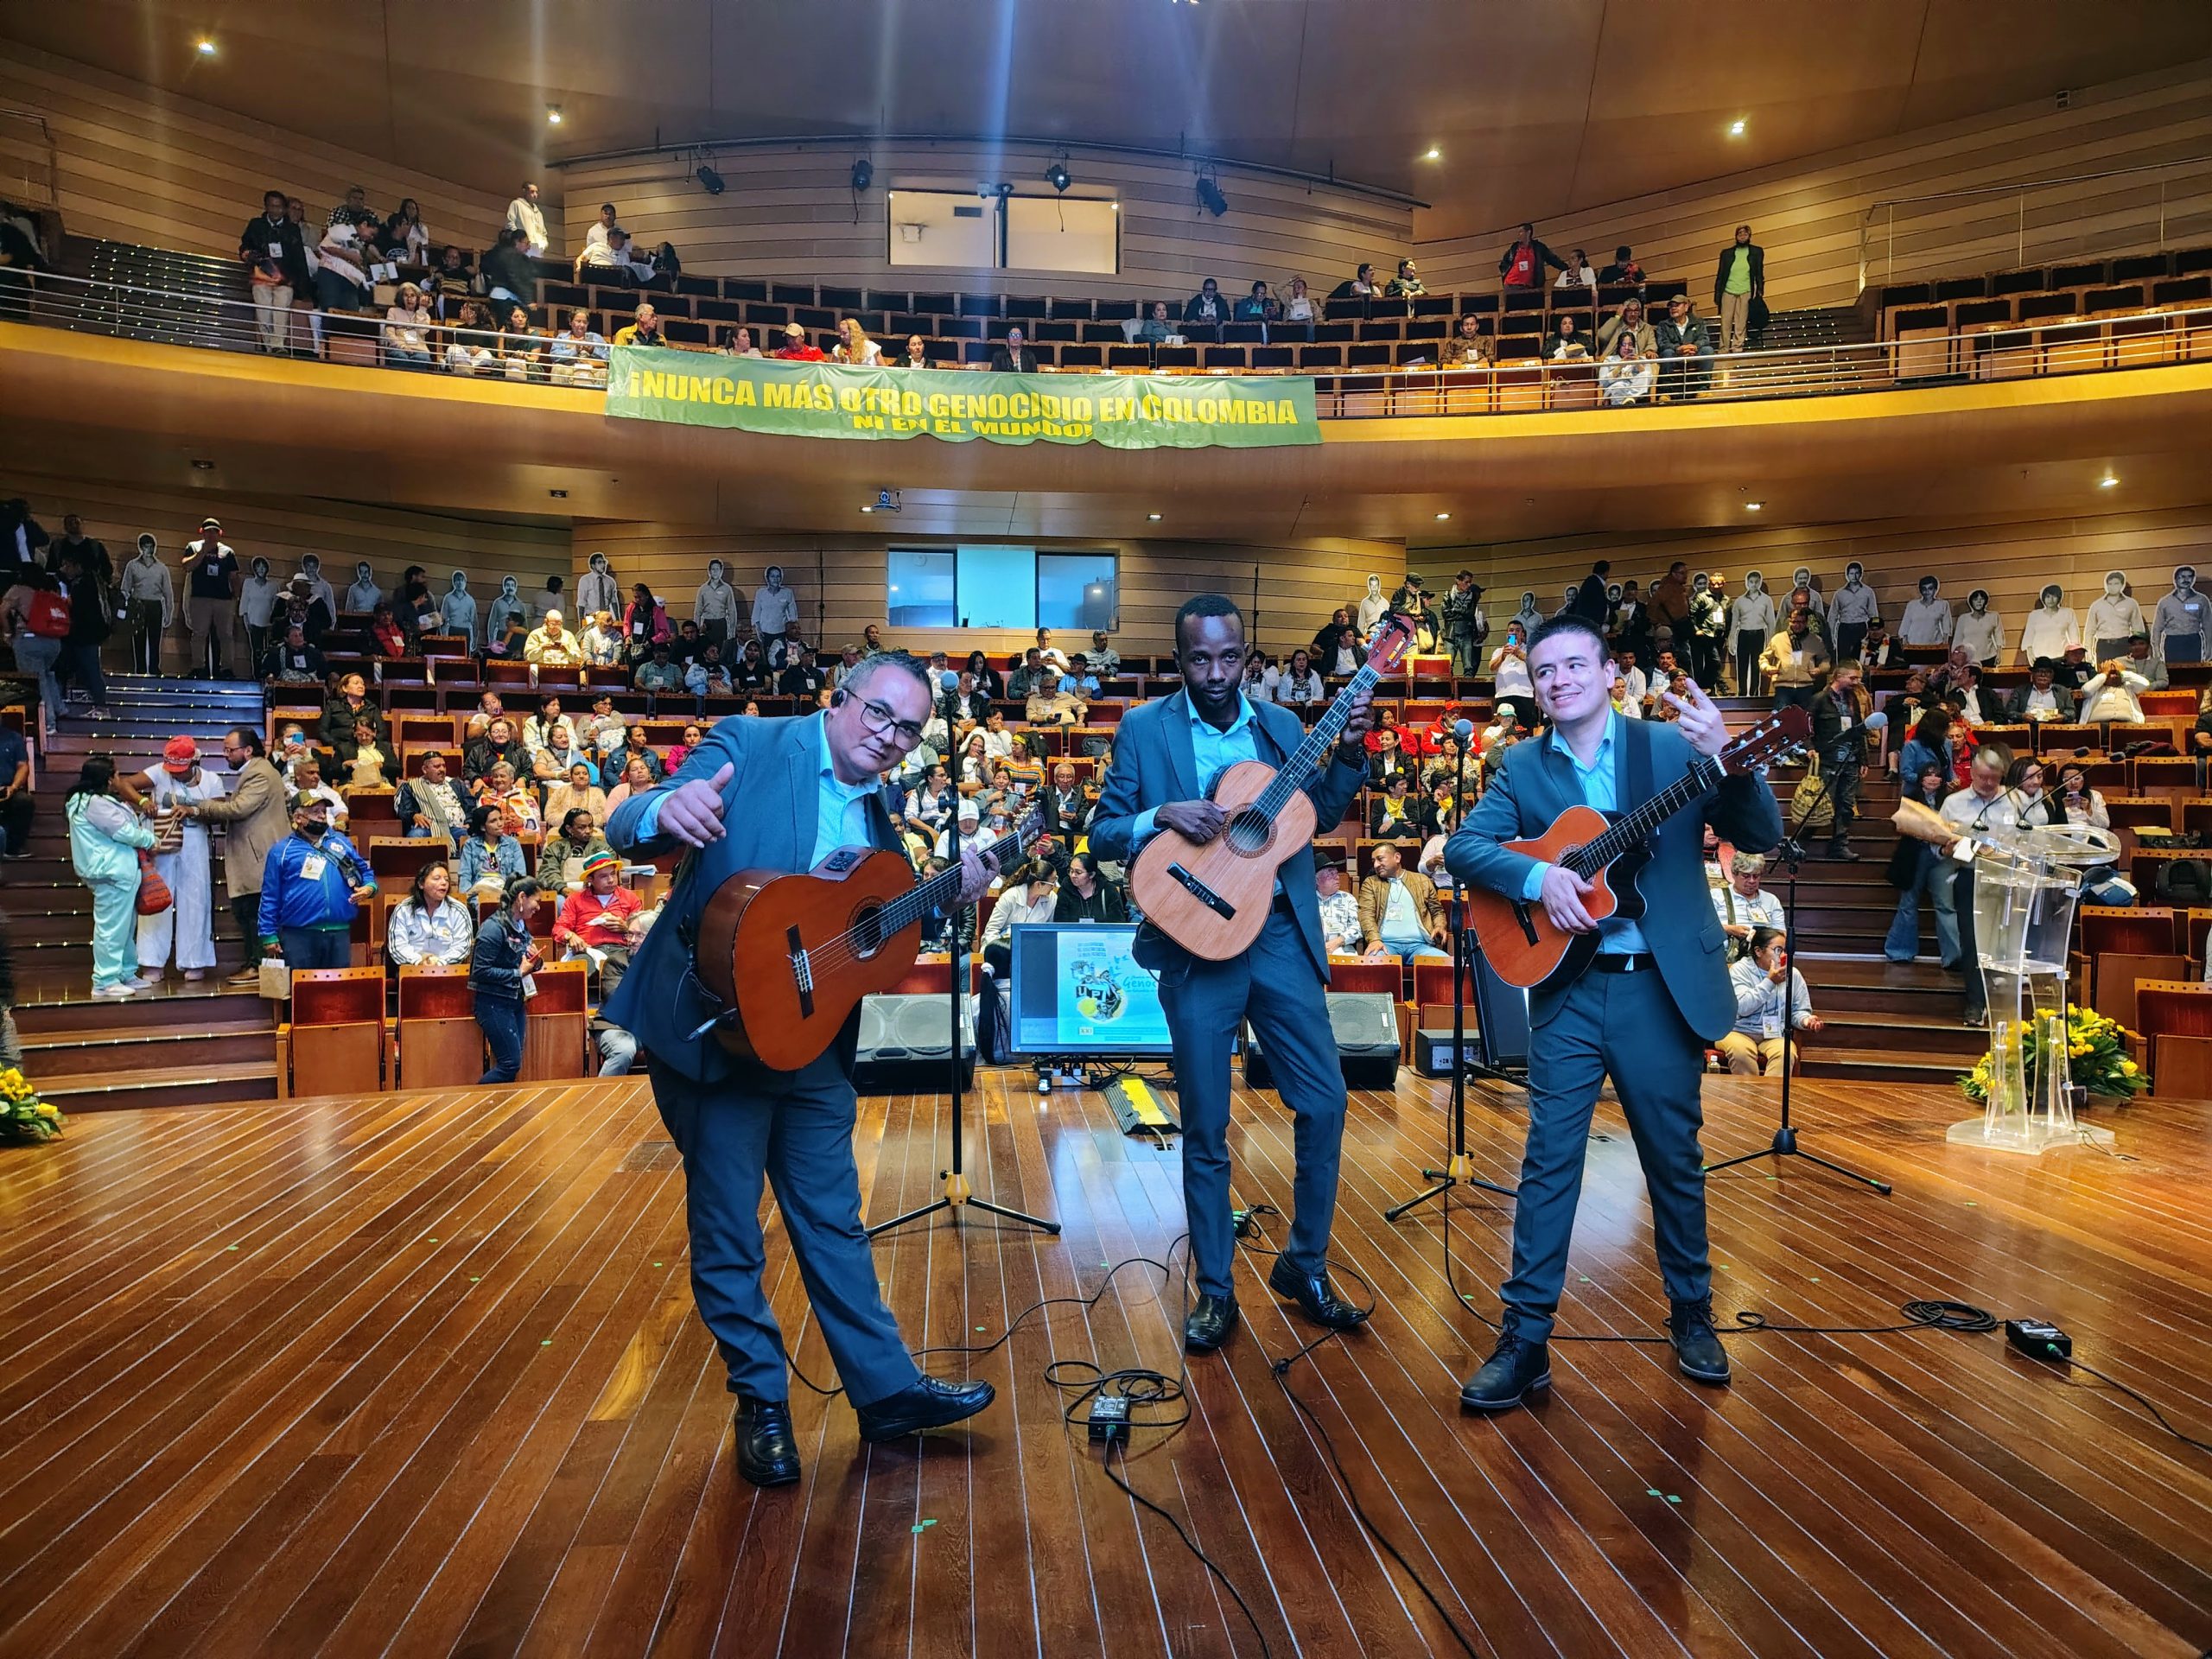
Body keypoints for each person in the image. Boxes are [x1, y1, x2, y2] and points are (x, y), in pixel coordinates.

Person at [603, 649, 1001, 1485]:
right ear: (841, 699)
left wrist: (943, 897)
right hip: (715, 1035)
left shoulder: (880, 819)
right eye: (879, 716)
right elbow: (629, 821)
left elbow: (865, 943)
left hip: (811, 1045)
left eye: (910, 730)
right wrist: (665, 808)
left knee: (833, 1220)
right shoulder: (750, 744)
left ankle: (887, 1391)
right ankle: (763, 1406)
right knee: (729, 1233)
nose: (890, 738)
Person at [1446, 614, 1783, 1411]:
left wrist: (1727, 761)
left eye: (1573, 666)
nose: (1558, 680)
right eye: (1543, 671)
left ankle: (1693, 1313)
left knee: (1674, 1158)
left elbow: (1761, 829)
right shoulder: (1520, 765)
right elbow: (1467, 848)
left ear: (1607, 675)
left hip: (1657, 985)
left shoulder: (1668, 749)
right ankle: (1525, 1340)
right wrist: (1539, 883)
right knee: (1548, 1162)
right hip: (1570, 986)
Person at [1090, 594, 1376, 1356]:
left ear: (1246, 655)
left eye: (1228, 658)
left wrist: (1347, 752)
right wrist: (1160, 817)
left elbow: (1319, 814)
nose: (1215, 674)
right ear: (1178, 658)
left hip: (1278, 933)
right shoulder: (1144, 731)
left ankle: (1304, 1265)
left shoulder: (1282, 729)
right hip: (1194, 941)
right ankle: (1216, 1289)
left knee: (1326, 1101)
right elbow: (1099, 833)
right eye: (1198, 659)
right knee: (1208, 1126)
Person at [126, 736, 219, 982]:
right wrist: (143, 801)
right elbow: (124, 784)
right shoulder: (158, 772)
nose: (175, 774)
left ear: (194, 761)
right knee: (157, 896)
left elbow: (220, 811)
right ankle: (151, 961)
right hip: (162, 841)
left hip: (195, 839)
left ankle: (194, 961)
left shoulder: (212, 780)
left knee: (196, 899)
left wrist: (194, 810)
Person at [67, 754, 160, 999]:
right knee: (111, 929)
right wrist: (150, 839)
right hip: (111, 871)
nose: (119, 779)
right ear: (108, 779)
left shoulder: (89, 801)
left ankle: (125, 972)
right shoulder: (93, 803)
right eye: (116, 775)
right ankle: (105, 979)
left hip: (118, 871)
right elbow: (124, 832)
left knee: (125, 927)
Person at [257, 791, 375, 972]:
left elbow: (365, 871)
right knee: (301, 993)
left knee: (338, 994)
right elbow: (270, 895)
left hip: (339, 932)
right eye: (315, 811)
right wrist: (268, 935)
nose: (321, 815)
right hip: (298, 934)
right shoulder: (281, 850)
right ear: (298, 817)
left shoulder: (341, 842)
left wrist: (369, 887)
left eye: (323, 811)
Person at [471, 878, 543, 1084]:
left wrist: (535, 961)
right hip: (493, 1003)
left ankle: (497, 1109)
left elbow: (524, 963)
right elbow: (480, 971)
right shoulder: (492, 928)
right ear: (522, 897)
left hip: (515, 1001)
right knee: (510, 1063)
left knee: (512, 1063)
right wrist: (517, 973)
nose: (539, 907)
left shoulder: (520, 925)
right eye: (536, 901)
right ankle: (475, 1101)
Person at [1719, 928, 1818, 1074]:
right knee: (1741, 1052)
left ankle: (1771, 1096)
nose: (1784, 955)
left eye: (1785, 950)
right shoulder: (1739, 970)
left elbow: (1798, 1011)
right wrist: (1770, 982)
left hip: (1774, 1034)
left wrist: (1806, 1020)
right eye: (1778, 950)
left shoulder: (1793, 974)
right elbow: (1741, 1008)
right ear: (1759, 951)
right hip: (1738, 1031)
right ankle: (1748, 1096)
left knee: (1786, 1053)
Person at [1808, 661, 1870, 861]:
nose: (1857, 682)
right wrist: (1810, 749)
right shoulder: (1819, 699)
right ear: (1838, 676)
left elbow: (1859, 729)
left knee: (1845, 806)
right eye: (1853, 678)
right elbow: (1805, 727)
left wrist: (1863, 760)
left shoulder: (1853, 699)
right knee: (1820, 804)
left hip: (1850, 761)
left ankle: (1839, 845)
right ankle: (1801, 842)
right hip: (1828, 760)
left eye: (1858, 678)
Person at [240, 188, 311, 354]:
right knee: (263, 311)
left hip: (285, 278)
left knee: (281, 311)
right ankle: (268, 344)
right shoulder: (256, 225)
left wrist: (303, 287)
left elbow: (299, 257)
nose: (276, 210)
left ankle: (278, 344)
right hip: (262, 275)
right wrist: (245, 254)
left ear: (284, 208)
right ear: (266, 207)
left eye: (279, 207)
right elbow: (245, 245)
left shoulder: (292, 228)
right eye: (272, 206)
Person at [1358, 841, 1446, 961]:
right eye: (1373, 861)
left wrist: (1440, 926)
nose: (1376, 865)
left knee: (1451, 965)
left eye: (1380, 859)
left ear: (1397, 857)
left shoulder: (1422, 880)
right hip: (1385, 945)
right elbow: (1366, 915)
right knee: (1373, 962)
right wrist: (1374, 940)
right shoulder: (1371, 883)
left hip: (1420, 946)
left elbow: (1437, 911)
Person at [180, 518, 239, 679]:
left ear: (220, 533)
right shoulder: (193, 546)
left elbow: (233, 576)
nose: (211, 534)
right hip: (200, 598)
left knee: (226, 635)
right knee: (199, 634)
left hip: (224, 599)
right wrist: (203, 551)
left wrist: (235, 597)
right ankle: (198, 667)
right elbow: (187, 566)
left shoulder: (228, 552)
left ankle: (227, 669)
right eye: (208, 531)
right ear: (202, 532)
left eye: (214, 531)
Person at [387, 861, 475, 967]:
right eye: (437, 878)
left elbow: (462, 946)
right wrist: (418, 962)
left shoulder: (459, 911)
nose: (444, 883)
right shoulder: (404, 910)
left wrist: (439, 963)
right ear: (421, 884)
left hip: (447, 969)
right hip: (412, 969)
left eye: (446, 880)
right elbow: (398, 946)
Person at [1713, 853, 1785, 959]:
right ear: (1734, 874)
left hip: (1762, 958)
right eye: (1746, 876)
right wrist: (1730, 929)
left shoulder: (1771, 900)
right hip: (1725, 958)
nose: (1752, 881)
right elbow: (1702, 929)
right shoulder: (1716, 896)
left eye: (1756, 876)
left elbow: (1782, 935)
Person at [120, 534, 174, 674]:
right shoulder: (132, 566)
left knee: (155, 640)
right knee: (139, 639)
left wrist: (169, 614)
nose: (148, 550)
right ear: (140, 548)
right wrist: (126, 610)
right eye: (145, 546)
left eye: (151, 547)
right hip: (138, 604)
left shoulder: (162, 568)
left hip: (155, 605)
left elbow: (168, 593)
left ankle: (155, 669)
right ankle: (140, 670)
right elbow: (125, 589)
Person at [397, 749, 467, 846]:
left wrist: (470, 823)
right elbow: (404, 810)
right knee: (416, 835)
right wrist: (414, 815)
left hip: (457, 828)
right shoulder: (413, 786)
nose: (442, 769)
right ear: (425, 769)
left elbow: (470, 806)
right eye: (437, 766)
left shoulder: (456, 784)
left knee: (470, 837)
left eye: (444, 766)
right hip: (428, 829)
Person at [1713, 224, 1764, 356]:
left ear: (1749, 236)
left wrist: (1759, 291)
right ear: (1736, 236)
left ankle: (1737, 347)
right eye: (1740, 234)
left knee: (1741, 322)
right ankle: (1723, 349)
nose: (1742, 236)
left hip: (1746, 290)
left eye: (1745, 234)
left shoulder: (1757, 252)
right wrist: (1717, 294)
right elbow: (1720, 274)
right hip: (1728, 290)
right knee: (1726, 321)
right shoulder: (1726, 253)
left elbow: (1759, 273)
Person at [1654, 292, 1714, 399]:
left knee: (1708, 350)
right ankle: (1666, 392)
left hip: (1693, 354)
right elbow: (1662, 343)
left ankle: (1703, 389)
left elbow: (1705, 339)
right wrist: (1678, 349)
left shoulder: (1698, 322)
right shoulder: (1663, 325)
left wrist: (1694, 346)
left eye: (1677, 305)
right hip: (1675, 356)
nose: (1673, 308)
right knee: (1667, 352)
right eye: (1671, 306)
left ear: (1686, 307)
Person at [537, 806, 611, 891]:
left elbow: (606, 874)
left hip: (594, 891)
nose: (588, 831)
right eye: (581, 827)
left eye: (590, 826)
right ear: (569, 829)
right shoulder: (555, 848)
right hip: (562, 892)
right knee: (559, 901)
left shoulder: (603, 848)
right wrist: (563, 888)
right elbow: (549, 873)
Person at [1054, 850, 1126, 924]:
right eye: (1071, 871)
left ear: (1092, 874)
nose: (1073, 875)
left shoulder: (1109, 891)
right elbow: (1060, 924)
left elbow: (1118, 922)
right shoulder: (1064, 891)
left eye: (1078, 872)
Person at [1498, 223, 1566, 289]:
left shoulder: (1538, 247)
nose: (1518, 235)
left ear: (1528, 232)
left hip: (1529, 286)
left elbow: (1552, 259)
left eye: (1521, 232)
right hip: (1511, 284)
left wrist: (1566, 268)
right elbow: (1504, 263)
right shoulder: (1514, 248)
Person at [1597, 330, 1652, 405]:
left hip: (1637, 394)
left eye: (1630, 344)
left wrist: (1637, 363)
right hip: (1617, 391)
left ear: (1634, 346)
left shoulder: (1642, 360)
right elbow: (1602, 383)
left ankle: (1631, 399)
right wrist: (1620, 366)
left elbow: (1649, 378)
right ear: (1619, 346)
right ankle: (1627, 403)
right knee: (1619, 386)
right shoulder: (1609, 360)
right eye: (1624, 344)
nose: (1627, 348)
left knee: (1646, 374)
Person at [505, 181, 550, 257]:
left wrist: (543, 246)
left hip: (537, 251)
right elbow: (510, 224)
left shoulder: (539, 213)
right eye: (532, 192)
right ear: (525, 192)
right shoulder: (517, 204)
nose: (535, 195)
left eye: (536, 192)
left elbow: (543, 233)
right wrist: (520, 241)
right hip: (522, 248)